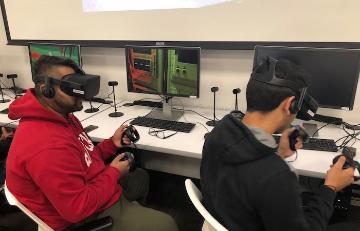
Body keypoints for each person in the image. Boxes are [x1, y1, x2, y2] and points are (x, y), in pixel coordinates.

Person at [5, 55, 178, 231]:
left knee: (141, 177)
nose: (80, 91)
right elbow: (77, 209)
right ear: (46, 89)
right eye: (71, 87)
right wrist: (114, 173)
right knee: (167, 225)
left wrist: (111, 144)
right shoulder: (47, 145)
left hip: (93, 186)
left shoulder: (63, 117)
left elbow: (84, 157)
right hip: (84, 218)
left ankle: (132, 214)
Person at [200, 58, 355, 231]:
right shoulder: (277, 176)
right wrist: (331, 187)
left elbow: (246, 177)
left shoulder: (218, 132)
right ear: (290, 104)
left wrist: (278, 154)